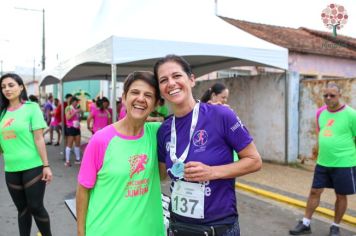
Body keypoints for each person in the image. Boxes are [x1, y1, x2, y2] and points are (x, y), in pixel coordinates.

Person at [154, 55, 262, 236]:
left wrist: (212, 172)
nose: (171, 83)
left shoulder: (221, 115)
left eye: (177, 76)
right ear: (160, 89)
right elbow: (161, 175)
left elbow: (254, 161)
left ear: (191, 79)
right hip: (178, 227)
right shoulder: (164, 129)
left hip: (219, 228)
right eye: (163, 80)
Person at [76, 71, 165, 236]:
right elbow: (83, 189)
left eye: (148, 95)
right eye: (135, 92)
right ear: (124, 98)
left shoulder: (158, 133)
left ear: (154, 104)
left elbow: (189, 123)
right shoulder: (101, 140)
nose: (141, 99)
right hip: (106, 230)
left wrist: (212, 110)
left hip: (150, 230)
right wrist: (81, 232)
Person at [289, 82, 356, 236]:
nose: (328, 98)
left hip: (344, 162)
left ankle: (335, 226)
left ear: (340, 95)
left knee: (341, 195)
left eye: (332, 95)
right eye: (325, 95)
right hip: (323, 161)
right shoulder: (320, 112)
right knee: (314, 191)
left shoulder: (351, 114)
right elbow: (322, 133)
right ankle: (306, 223)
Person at [0, 73, 53, 236]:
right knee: (22, 209)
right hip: (11, 168)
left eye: (11, 85)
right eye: (3, 87)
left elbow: (39, 138)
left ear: (21, 87)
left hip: (33, 166)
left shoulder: (31, 108)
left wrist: (46, 165)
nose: (7, 89)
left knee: (36, 207)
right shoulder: (2, 113)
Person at [64, 96, 81, 166]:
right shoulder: (68, 108)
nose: (77, 103)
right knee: (69, 144)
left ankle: (78, 159)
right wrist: (75, 112)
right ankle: (67, 161)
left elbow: (78, 118)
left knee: (77, 144)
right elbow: (68, 118)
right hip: (70, 128)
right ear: (72, 101)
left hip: (77, 128)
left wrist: (80, 114)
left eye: (77, 102)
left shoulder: (76, 108)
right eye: (76, 101)